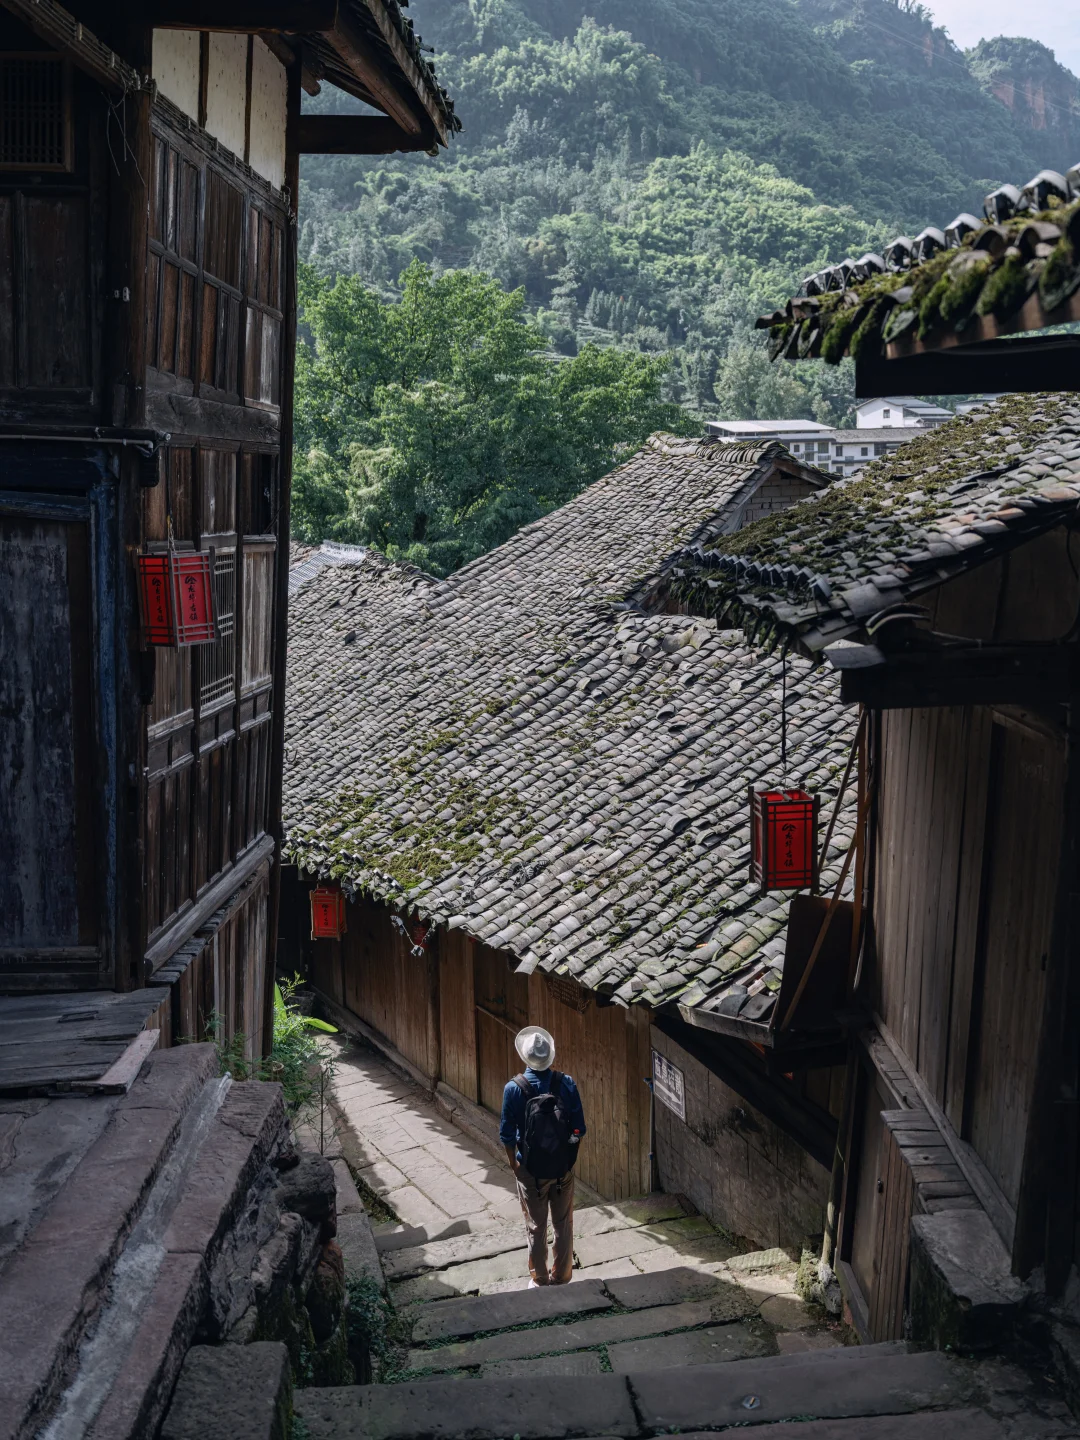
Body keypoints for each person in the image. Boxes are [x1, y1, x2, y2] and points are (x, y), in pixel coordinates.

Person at [499, 1025, 586, 1287]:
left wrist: (514, 1163)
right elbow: (579, 1128)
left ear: (525, 1057)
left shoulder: (514, 1089)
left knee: (536, 1227)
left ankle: (539, 1280)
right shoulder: (566, 1083)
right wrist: (567, 1156)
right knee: (562, 1224)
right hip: (562, 1169)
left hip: (530, 1170)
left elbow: (506, 1134)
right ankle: (562, 1276)